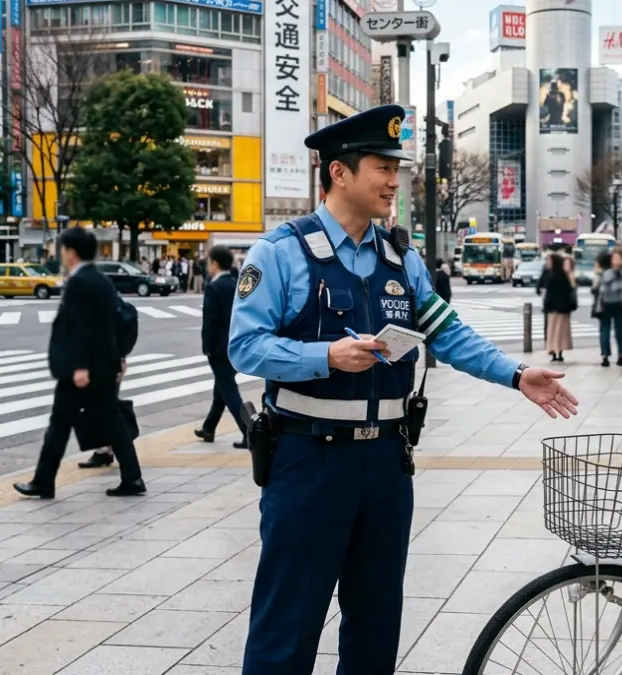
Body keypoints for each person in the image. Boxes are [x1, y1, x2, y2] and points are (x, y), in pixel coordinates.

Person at [227, 104, 579, 675]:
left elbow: (448, 332)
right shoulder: (281, 252)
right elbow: (245, 346)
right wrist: (326, 356)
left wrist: (516, 375)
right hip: (308, 459)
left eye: (397, 167)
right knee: (286, 624)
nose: (395, 180)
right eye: (381, 166)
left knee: (376, 622)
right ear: (338, 172)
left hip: (387, 463)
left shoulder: (400, 259)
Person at [14, 227, 145, 499]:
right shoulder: (100, 280)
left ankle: (43, 481)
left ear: (71, 252)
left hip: (84, 370)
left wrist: (80, 367)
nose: (61, 254)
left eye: (62, 249)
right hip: (104, 366)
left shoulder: (80, 282)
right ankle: (132, 478)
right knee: (112, 422)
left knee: (60, 424)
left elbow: (82, 329)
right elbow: (111, 325)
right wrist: (119, 357)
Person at [195, 245, 248, 448]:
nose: (208, 266)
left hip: (218, 347)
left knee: (228, 389)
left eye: (208, 262)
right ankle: (209, 428)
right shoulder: (237, 284)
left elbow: (210, 321)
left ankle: (248, 431)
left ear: (215, 264)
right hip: (235, 343)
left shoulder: (214, 287)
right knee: (222, 388)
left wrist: (207, 346)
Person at [593, 250, 622, 367]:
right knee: (607, 330)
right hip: (607, 304)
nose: (617, 261)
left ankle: (618, 355)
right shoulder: (609, 272)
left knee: (618, 330)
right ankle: (607, 355)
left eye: (619, 258)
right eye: (615, 258)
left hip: (616, 304)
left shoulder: (620, 272)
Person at [542, 252, 576, 362]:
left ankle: (557, 351)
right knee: (556, 330)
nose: (547, 263)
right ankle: (556, 351)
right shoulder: (551, 273)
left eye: (549, 261)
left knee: (557, 330)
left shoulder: (558, 275)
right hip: (557, 308)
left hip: (558, 307)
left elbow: (569, 289)